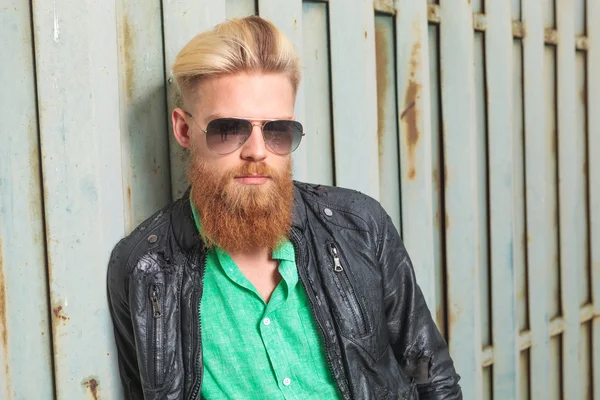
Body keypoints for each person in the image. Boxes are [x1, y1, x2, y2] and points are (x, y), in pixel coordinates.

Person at [107, 15, 461, 400]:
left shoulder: (359, 226)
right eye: (229, 128)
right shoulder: (143, 268)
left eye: (277, 131)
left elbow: (428, 372)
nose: (257, 151)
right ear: (184, 130)